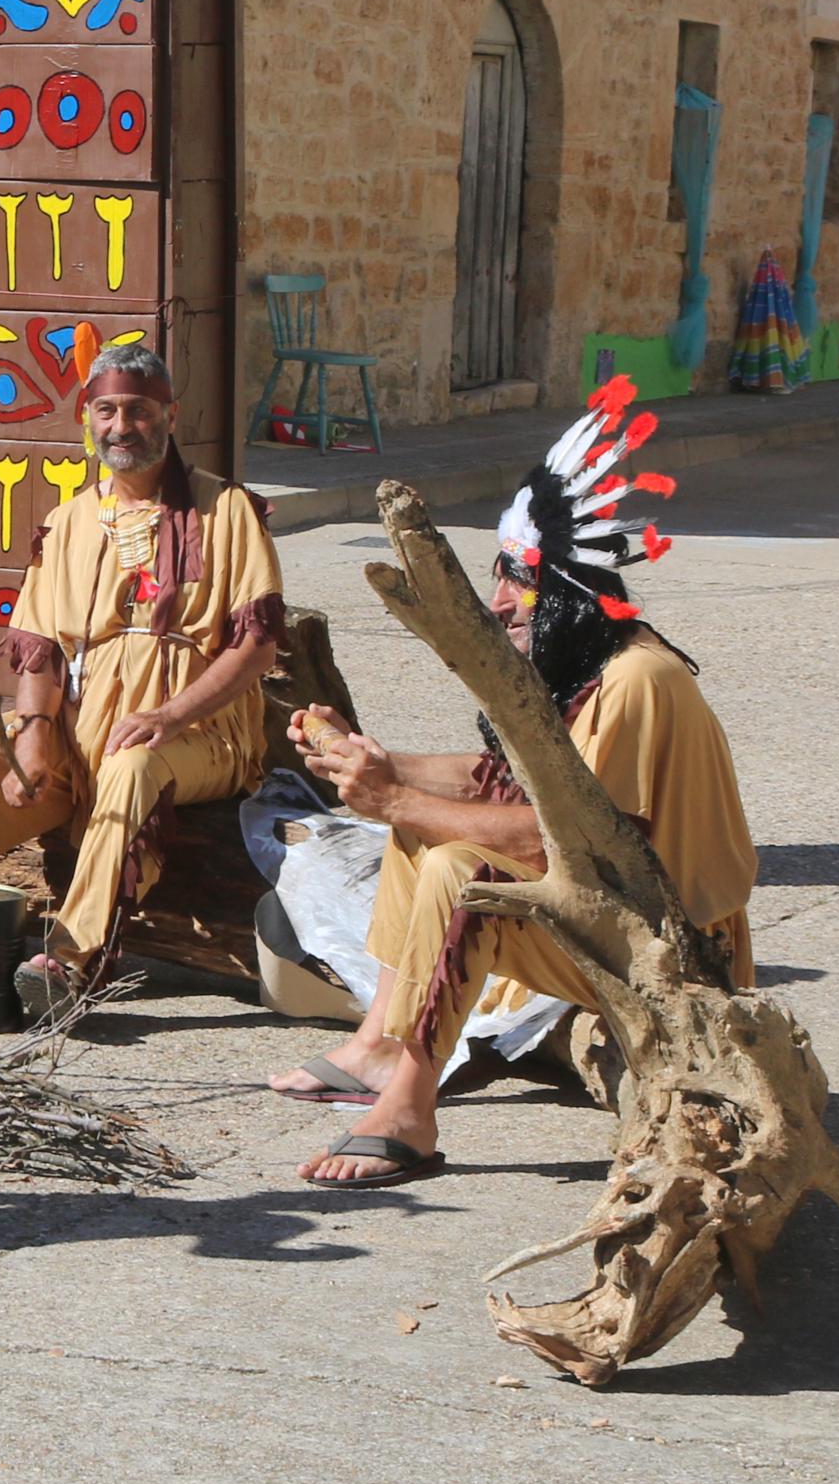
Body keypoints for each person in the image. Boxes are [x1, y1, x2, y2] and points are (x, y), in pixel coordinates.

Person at [273, 379, 755, 1188]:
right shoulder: (585, 665)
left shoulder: (636, 679)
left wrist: (399, 797)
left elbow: (559, 835)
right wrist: (380, 769)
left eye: (518, 578)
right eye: (499, 575)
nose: (499, 601)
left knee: (458, 867)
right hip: (610, 918)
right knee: (420, 823)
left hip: (675, 956)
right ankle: (380, 1039)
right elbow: (501, 779)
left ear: (569, 587)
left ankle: (409, 1109)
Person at [0, 347, 281, 1021]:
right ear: (88, 417)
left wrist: (168, 714)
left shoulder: (228, 510)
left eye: (137, 409)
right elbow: (39, 652)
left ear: (169, 413)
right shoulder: (71, 520)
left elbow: (255, 645)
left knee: (133, 764)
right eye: (105, 409)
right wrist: (34, 735)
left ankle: (72, 955)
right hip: (80, 730)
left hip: (199, 734)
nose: (121, 425)